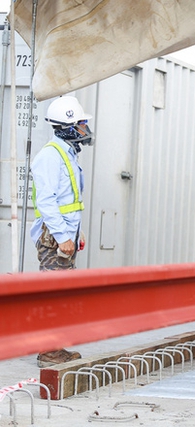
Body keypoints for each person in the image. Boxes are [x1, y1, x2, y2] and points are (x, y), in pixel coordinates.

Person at [30, 95, 94, 367]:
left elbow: (70, 201)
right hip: (54, 235)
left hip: (64, 233)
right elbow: (47, 201)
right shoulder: (50, 156)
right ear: (67, 126)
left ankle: (54, 347)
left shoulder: (66, 153)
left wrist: (74, 233)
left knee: (62, 293)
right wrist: (62, 236)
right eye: (80, 123)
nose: (84, 129)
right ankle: (48, 353)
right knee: (53, 294)